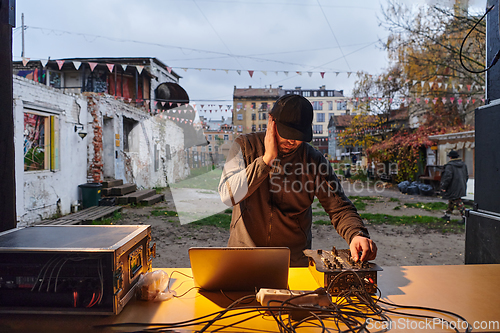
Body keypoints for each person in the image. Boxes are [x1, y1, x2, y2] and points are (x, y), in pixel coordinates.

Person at [218, 94, 377, 267]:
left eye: (298, 135)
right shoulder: (244, 146)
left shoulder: (314, 161)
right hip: (243, 258)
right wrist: (266, 160)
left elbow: (339, 207)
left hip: (292, 262)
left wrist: (356, 233)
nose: (292, 140)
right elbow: (228, 195)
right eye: (286, 133)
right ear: (272, 121)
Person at [440, 150, 468, 222]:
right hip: (461, 185)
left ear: (450, 157)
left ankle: (465, 217)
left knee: (458, 201)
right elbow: (466, 176)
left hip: (453, 186)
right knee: (452, 200)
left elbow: (447, 177)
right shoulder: (463, 165)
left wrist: (444, 187)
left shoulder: (450, 166)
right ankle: (447, 215)